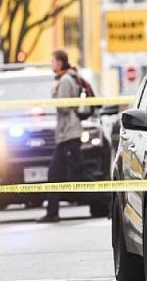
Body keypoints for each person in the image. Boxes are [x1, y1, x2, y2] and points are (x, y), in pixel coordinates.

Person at [37, 50, 83, 223]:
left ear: (60, 62)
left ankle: (108, 200)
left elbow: (62, 107)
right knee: (55, 174)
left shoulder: (64, 80)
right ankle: (52, 212)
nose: (51, 64)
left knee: (79, 174)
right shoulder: (66, 78)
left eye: (53, 61)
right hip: (65, 135)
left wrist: (54, 92)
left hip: (69, 134)